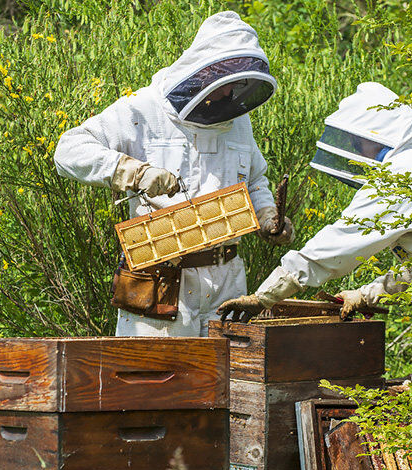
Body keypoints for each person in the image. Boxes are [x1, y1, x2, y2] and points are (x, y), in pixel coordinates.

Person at [217, 82, 412, 415]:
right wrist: (369, 293)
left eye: (357, 142)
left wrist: (266, 295)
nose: (358, 151)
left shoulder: (403, 177)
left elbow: (336, 246)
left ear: (374, 134)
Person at [54, 11, 293, 337]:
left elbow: (254, 180)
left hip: (227, 280)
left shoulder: (238, 122)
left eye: (235, 85)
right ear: (202, 69)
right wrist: (133, 172)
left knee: (225, 383)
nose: (227, 94)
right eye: (222, 83)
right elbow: (68, 150)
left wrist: (267, 214)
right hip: (161, 277)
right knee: (156, 381)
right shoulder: (142, 109)